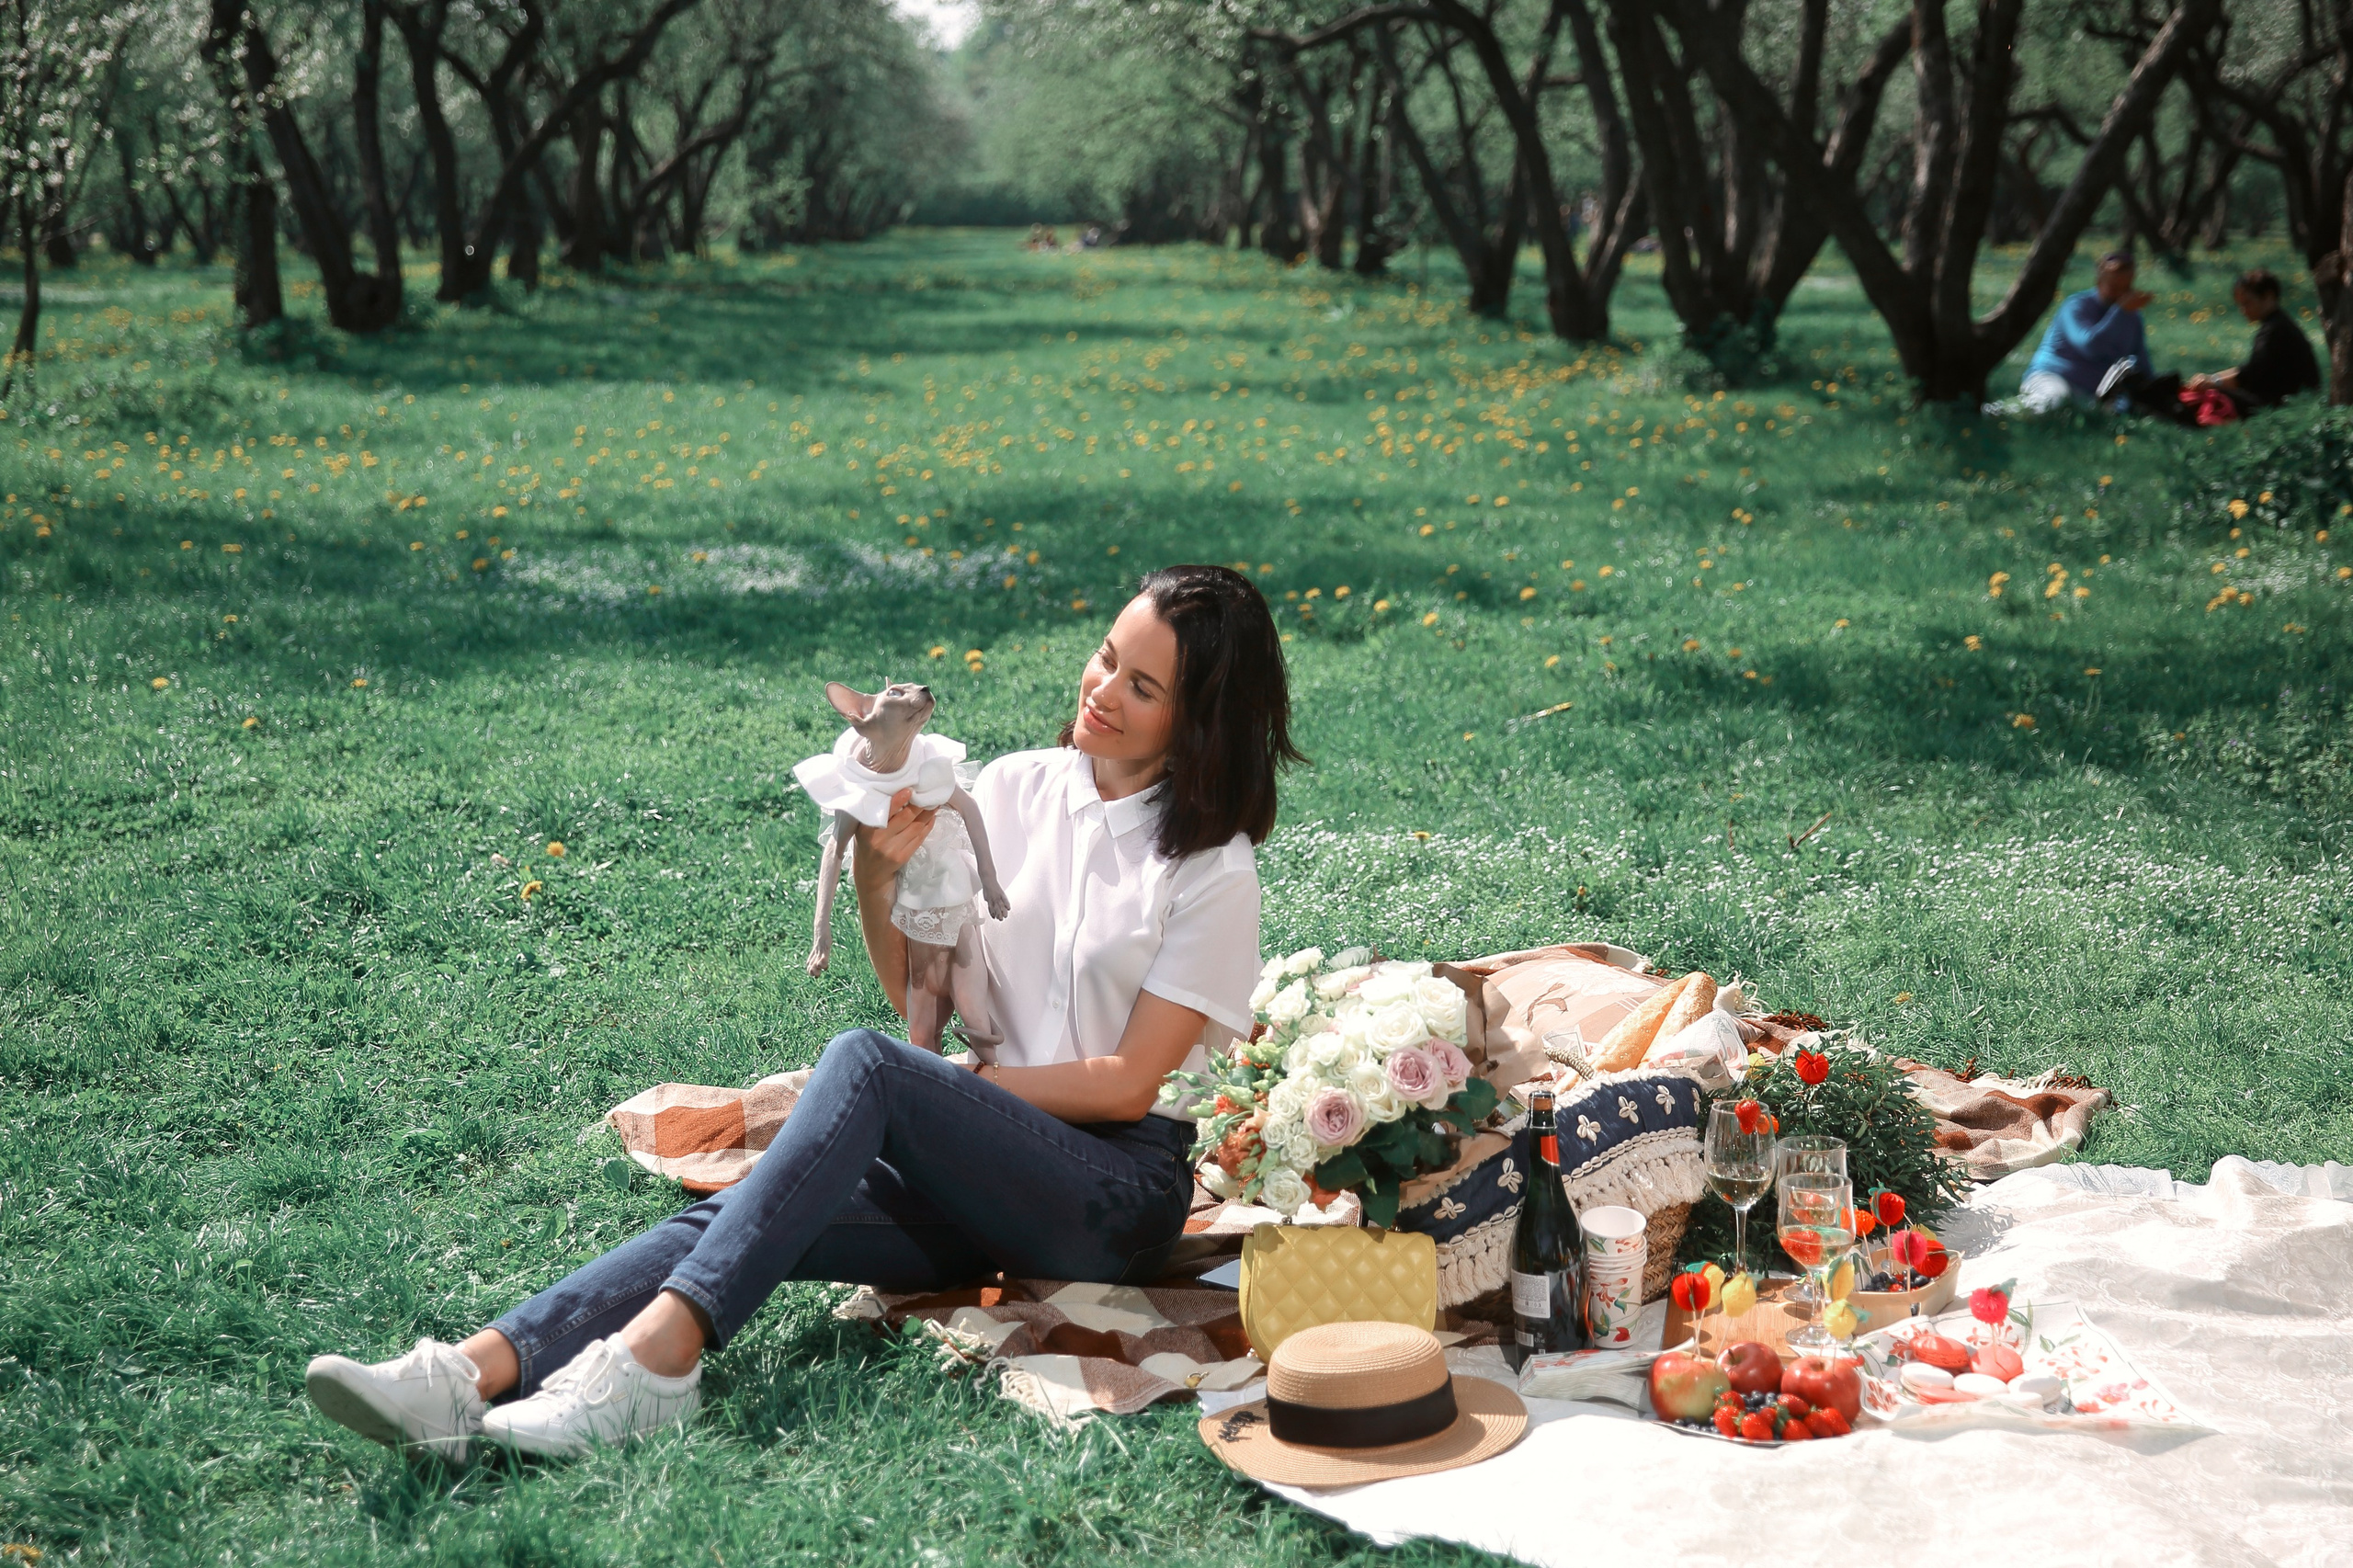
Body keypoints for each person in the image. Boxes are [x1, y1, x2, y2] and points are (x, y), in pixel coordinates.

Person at [302, 565, 1303, 1460]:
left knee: (868, 1067)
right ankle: (464, 1376)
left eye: (1143, 684)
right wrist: (877, 872)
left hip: (1112, 1196)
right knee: (745, 1209)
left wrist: (962, 1091)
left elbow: (1131, 1080)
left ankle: (655, 1364)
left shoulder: (1212, 866)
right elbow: (919, 990)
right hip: (986, 1164)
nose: (1100, 689)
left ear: (1200, 717)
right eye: (1104, 656)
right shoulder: (1007, 787)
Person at [2015, 251, 2152, 414]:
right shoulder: (2076, 306)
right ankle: (1992, 413)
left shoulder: (2132, 318)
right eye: (2114, 288)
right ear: (2099, 282)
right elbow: (2091, 346)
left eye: (2127, 287)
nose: (2122, 295)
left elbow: (2141, 360)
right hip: (2054, 377)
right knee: (2053, 403)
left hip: (2092, 393)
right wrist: (2120, 311)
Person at [2183, 268, 2321, 419]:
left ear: (2269, 296)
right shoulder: (2278, 324)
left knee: (2210, 395)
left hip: (2281, 405)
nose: (2243, 310)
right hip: (2283, 399)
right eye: (2240, 305)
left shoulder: (2275, 331)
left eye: (2247, 303)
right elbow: (2251, 370)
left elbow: (2249, 375)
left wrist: (2213, 382)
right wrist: (2212, 378)